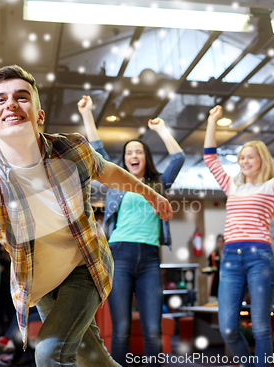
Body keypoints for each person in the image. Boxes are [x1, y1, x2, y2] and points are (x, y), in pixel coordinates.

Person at [0, 65, 172, 367]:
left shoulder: (70, 150)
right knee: (91, 358)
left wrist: (151, 194)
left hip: (85, 263)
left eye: (22, 97)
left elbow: (108, 172)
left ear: (40, 116)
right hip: (41, 282)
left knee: (49, 354)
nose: (11, 104)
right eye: (0, 99)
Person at [78, 95, 185, 367]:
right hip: (120, 257)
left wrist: (161, 129)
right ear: (124, 161)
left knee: (152, 330)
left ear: (145, 158)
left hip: (150, 259)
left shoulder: (158, 184)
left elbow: (178, 157)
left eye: (138, 152)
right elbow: (97, 150)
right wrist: (88, 113)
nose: (133, 156)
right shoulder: (119, 183)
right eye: (129, 153)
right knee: (122, 329)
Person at [203, 99, 274, 367]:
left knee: (261, 327)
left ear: (261, 159)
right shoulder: (231, 186)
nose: (244, 161)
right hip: (229, 258)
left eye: (250, 156)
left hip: (259, 256)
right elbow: (209, 157)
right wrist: (211, 122)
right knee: (228, 328)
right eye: (241, 157)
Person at [208, 234, 224, 301]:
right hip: (217, 278)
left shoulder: (227, 253)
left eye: (221, 241)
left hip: (225, 276)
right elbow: (210, 266)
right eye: (218, 241)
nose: (220, 243)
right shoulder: (213, 254)